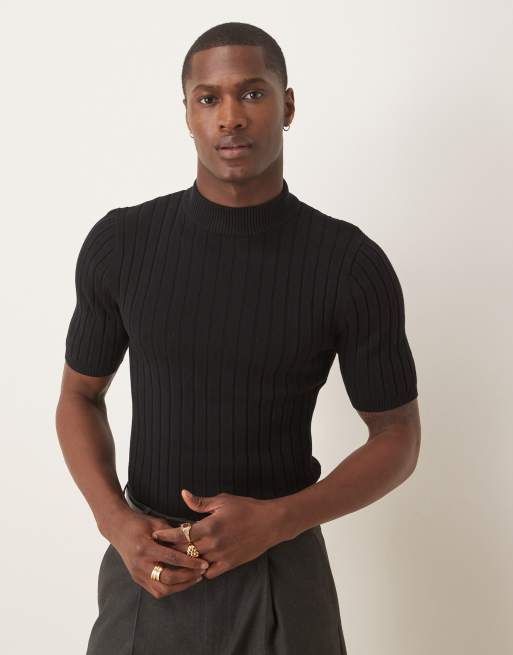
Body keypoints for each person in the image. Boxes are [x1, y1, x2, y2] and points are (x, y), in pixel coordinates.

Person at [55, 20, 421, 655]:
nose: (230, 117)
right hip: (149, 565)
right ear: (188, 113)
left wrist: (278, 520)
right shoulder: (122, 245)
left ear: (288, 106)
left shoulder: (349, 264)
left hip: (283, 567)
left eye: (252, 93)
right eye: (209, 98)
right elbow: (79, 397)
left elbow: (397, 436)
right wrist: (116, 522)